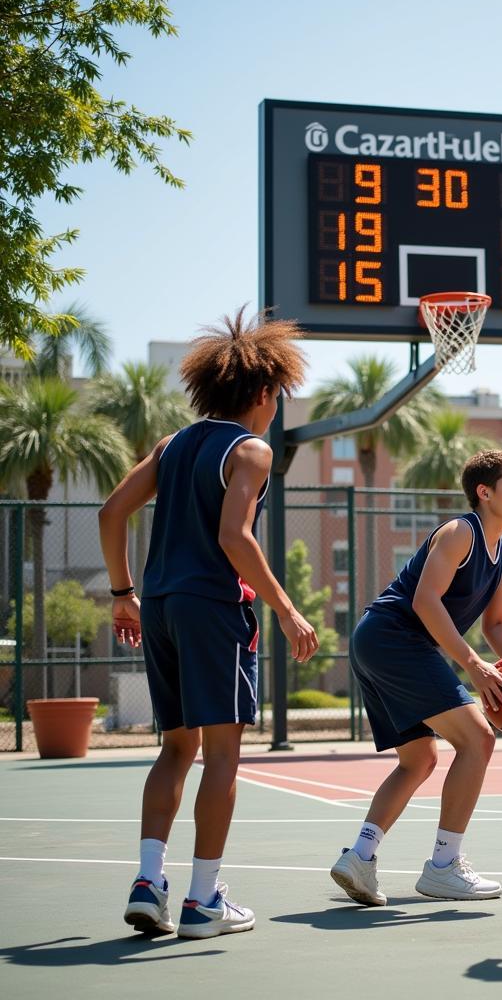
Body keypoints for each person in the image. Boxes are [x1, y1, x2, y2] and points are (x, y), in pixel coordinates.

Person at [99, 310, 319, 939]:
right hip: (212, 607)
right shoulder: (251, 449)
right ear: (263, 392)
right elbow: (234, 536)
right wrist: (285, 606)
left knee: (176, 748)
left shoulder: (173, 445)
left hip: (162, 603)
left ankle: (149, 882)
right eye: (278, 396)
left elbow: (113, 511)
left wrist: (123, 593)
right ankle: (202, 901)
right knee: (223, 754)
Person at [329, 450, 502, 905]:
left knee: (418, 759)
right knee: (479, 739)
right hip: (393, 638)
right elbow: (425, 602)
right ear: (484, 492)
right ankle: (444, 866)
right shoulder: (461, 533)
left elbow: (496, 625)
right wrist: (474, 666)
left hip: (382, 645)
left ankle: (359, 857)